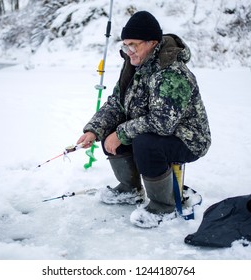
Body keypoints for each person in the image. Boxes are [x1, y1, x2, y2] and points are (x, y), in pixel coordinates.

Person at [77, 11, 211, 228]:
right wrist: (94, 130)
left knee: (143, 142)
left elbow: (162, 123)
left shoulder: (172, 73)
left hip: (189, 139)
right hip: (155, 131)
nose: (128, 51)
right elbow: (116, 103)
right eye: (125, 45)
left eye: (133, 45)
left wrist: (120, 134)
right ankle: (130, 190)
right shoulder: (134, 65)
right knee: (113, 129)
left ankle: (162, 206)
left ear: (152, 43)